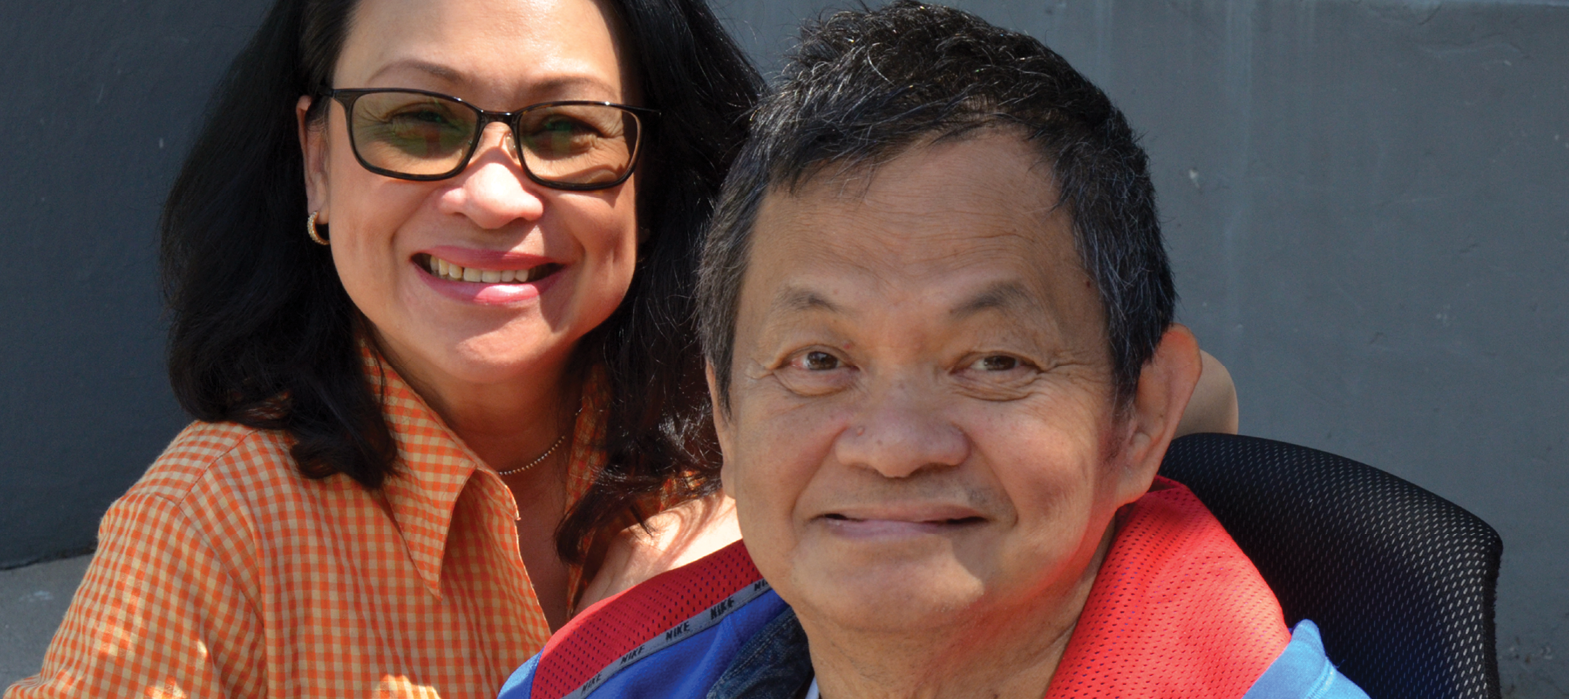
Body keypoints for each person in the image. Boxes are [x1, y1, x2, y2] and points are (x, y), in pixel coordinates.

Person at [503, 3, 1366, 698]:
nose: (893, 446)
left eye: (993, 362)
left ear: (1140, 416)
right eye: (817, 360)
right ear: (724, 411)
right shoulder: (593, 679)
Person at [5, 0, 759, 696]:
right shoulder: (206, 532)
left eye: (565, 129)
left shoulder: (761, 458)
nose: (493, 198)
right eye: (417, 122)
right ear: (318, 165)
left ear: (649, 180)